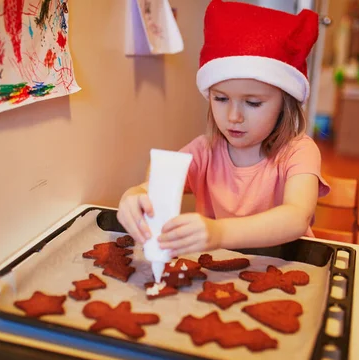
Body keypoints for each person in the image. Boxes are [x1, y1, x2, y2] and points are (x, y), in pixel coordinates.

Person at [118, 0, 330, 257]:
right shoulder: (204, 150)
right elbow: (157, 180)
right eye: (220, 99)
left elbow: (296, 216)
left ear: (285, 103)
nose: (234, 116)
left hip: (287, 263)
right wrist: (134, 196)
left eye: (252, 103)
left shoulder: (299, 152)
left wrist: (219, 233)